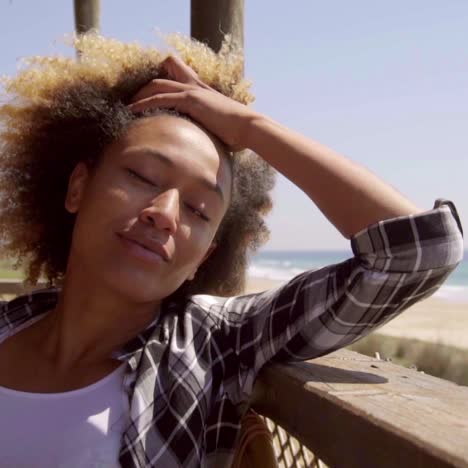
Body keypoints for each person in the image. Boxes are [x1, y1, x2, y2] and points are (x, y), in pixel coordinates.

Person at [0, 33, 463, 468]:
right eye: (142, 176)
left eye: (199, 210)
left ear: (205, 255)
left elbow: (420, 250)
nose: (164, 213)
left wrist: (248, 126)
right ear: (78, 187)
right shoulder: (10, 321)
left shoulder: (216, 343)